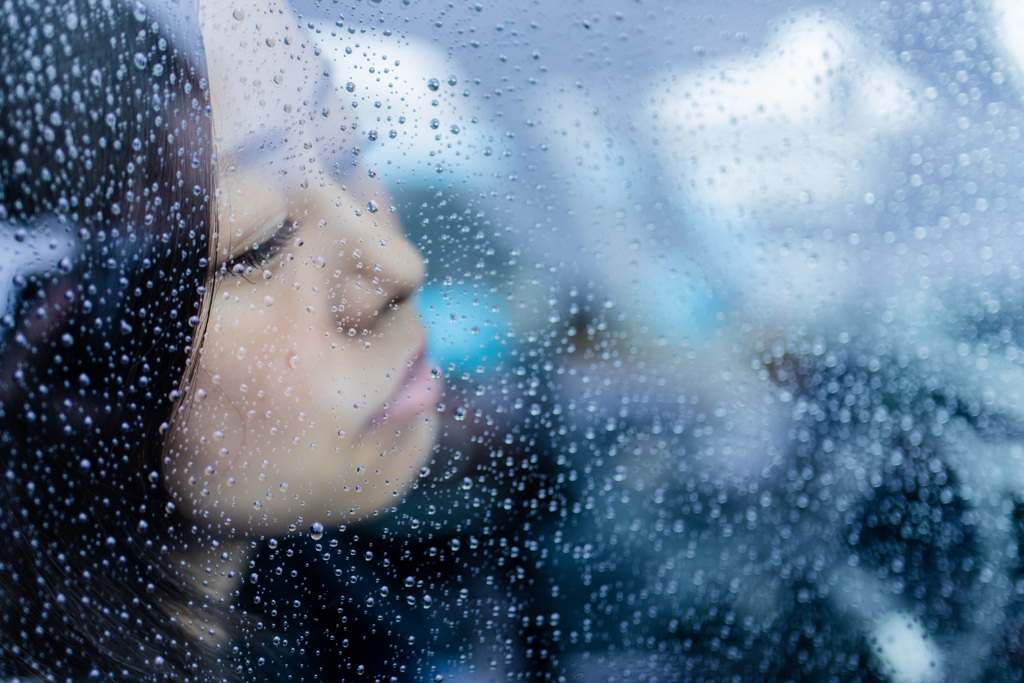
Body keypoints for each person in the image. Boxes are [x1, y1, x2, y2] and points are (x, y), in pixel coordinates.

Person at [0, 0, 438, 679]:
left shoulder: (343, 621)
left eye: (349, 152)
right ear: (60, 352)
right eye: (254, 245)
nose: (397, 267)